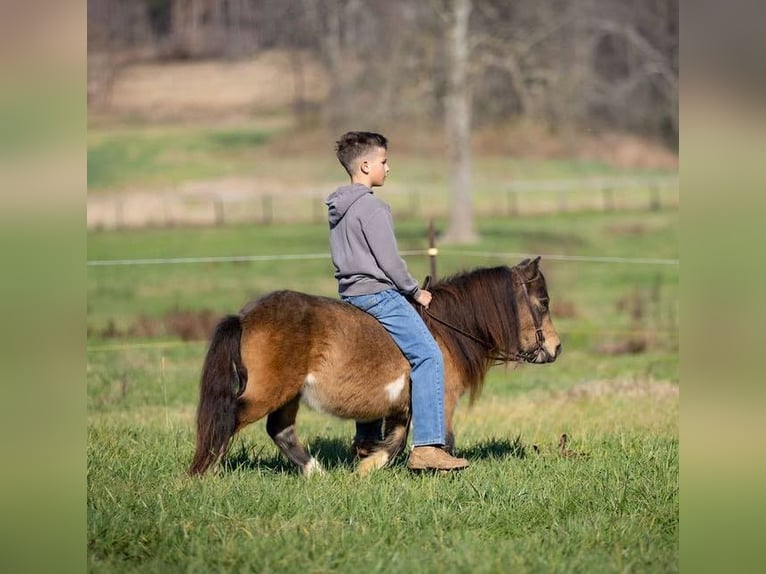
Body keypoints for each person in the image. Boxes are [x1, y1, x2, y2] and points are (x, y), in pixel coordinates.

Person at [325, 131, 469, 471]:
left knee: (372, 363)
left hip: (349, 297)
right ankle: (428, 447)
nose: (388, 168)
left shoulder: (338, 207)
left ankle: (368, 443)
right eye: (384, 162)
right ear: (364, 165)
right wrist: (415, 290)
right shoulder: (372, 207)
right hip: (378, 295)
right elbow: (389, 261)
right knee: (430, 356)